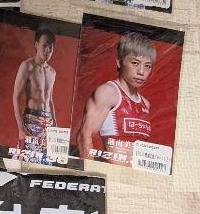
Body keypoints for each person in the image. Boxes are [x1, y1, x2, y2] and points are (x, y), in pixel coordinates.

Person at [76, 30, 155, 165]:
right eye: (135, 63)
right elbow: (84, 136)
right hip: (112, 173)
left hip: (137, 175)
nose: (141, 72)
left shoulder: (145, 104)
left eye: (147, 66)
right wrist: (89, 173)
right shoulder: (108, 93)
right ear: (119, 62)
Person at [11, 26, 58, 163]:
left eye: (50, 47)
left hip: (48, 122)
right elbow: (16, 97)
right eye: (44, 46)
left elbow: (50, 100)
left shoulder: (52, 72)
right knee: (26, 161)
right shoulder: (27, 66)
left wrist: (55, 126)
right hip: (32, 120)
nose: (47, 50)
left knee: (46, 163)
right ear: (36, 45)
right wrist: (20, 128)